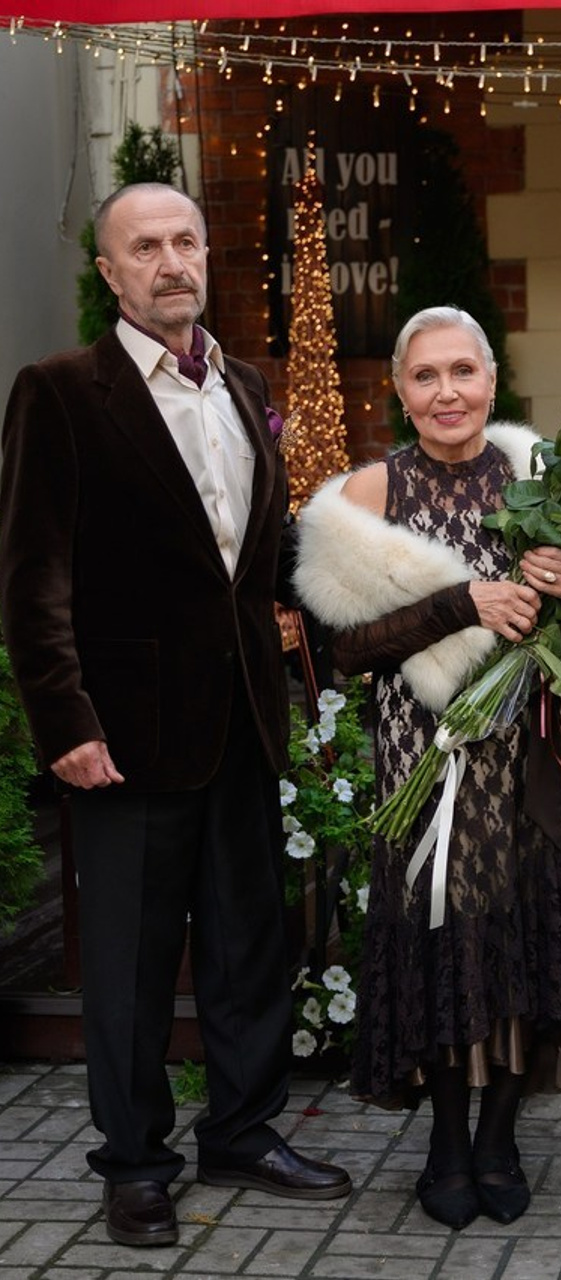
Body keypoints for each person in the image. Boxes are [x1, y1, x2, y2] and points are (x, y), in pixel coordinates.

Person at [0, 183, 351, 1248]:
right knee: (129, 964)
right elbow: (31, 574)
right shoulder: (60, 390)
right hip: (125, 734)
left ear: (207, 256)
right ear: (109, 272)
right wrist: (64, 721)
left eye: (185, 240)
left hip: (244, 715)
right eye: (143, 245)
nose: (170, 261)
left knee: (251, 945)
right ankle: (136, 1161)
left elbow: (260, 558)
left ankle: (242, 1128)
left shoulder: (244, 383)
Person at [292, 306, 561, 1230]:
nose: (448, 393)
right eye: (426, 376)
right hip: (423, 760)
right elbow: (343, 650)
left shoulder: (544, 480)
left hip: (529, 757)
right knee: (442, 934)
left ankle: (500, 1138)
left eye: (463, 372)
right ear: (399, 391)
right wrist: (457, 604)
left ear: (491, 380)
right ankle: (444, 1139)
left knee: (516, 932)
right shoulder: (365, 497)